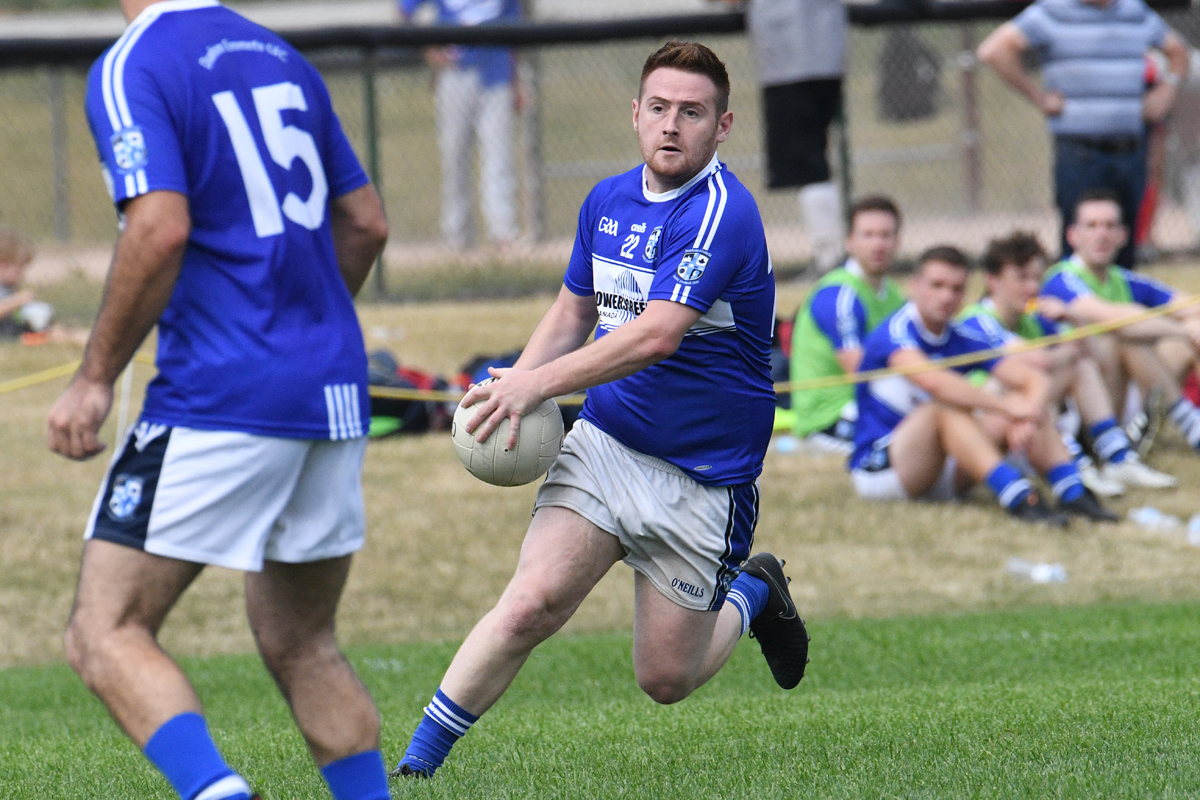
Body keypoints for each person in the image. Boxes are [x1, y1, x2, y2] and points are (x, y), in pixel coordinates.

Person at [391, 41, 808, 779]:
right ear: (636, 114)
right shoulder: (607, 202)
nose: (672, 126)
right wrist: (512, 385)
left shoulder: (722, 214)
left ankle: (754, 590)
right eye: (658, 109)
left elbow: (655, 335)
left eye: (692, 112)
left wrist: (540, 385)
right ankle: (415, 770)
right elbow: (571, 310)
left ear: (724, 125)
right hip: (606, 442)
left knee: (665, 680)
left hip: (702, 477)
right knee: (530, 604)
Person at [47, 2, 390, 799]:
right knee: (304, 640)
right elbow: (366, 224)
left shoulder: (135, 64)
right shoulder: (275, 53)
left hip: (222, 393)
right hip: (331, 391)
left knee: (106, 633)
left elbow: (159, 228)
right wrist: (299, 339)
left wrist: (95, 376)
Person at [850, 246, 1116, 525]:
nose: (946, 296)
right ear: (914, 286)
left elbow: (1033, 378)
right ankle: (1019, 497)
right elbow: (934, 382)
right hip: (885, 470)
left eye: (956, 288)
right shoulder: (895, 331)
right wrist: (1006, 408)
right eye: (937, 286)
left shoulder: (960, 334)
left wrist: (1026, 413)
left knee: (1025, 396)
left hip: (945, 465)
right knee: (943, 407)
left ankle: (1073, 492)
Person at [976, 0, 1189, 268]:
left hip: (1130, 150)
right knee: (1079, 251)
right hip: (1080, 153)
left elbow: (1179, 52)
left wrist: (1168, 89)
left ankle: (1120, 308)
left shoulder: (1132, 10)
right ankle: (1078, 307)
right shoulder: (1052, 11)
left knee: (1124, 247)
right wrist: (1038, 97)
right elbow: (993, 51)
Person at [958, 231, 1175, 493]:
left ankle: (1116, 457)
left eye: (1036, 278)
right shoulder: (976, 319)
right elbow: (1036, 360)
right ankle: (1077, 462)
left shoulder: (1033, 319)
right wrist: (1067, 352)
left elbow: (1092, 357)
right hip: (983, 428)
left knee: (1078, 365)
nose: (1031, 287)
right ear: (992, 281)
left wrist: (1072, 317)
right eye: (1021, 277)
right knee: (1034, 376)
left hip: (1025, 419)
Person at [1039, 188, 1200, 453]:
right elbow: (1112, 318)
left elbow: (1189, 305)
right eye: (1091, 226)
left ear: (1123, 235)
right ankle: (1183, 420)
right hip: (1084, 405)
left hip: (1128, 390)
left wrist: (1192, 325)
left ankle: (1163, 422)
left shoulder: (1122, 279)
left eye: (1110, 226)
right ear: (1072, 235)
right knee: (1120, 333)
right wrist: (1184, 329)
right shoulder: (1061, 279)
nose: (1101, 234)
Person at [715, 0, 848, 271]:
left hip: (789, 60)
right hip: (828, 53)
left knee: (808, 164)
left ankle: (830, 257)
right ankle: (831, 254)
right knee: (813, 157)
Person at [789, 195, 906, 454]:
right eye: (868, 235)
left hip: (874, 404)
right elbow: (862, 373)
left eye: (886, 235)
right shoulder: (839, 294)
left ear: (898, 242)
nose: (878, 244)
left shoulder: (894, 295)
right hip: (830, 418)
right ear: (849, 242)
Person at [399, 0, 521, 249]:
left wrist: (516, 78)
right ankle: (458, 238)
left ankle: (503, 233)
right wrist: (429, 50)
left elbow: (515, 27)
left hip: (496, 71)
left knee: (499, 156)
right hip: (455, 71)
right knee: (455, 158)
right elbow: (405, 9)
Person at [0, 226, 88, 346]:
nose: (22, 275)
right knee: (53, 334)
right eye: (19, 269)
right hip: (7, 334)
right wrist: (16, 301)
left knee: (56, 329)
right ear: (3, 265)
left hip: (14, 329)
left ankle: (81, 336)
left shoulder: (9, 287)